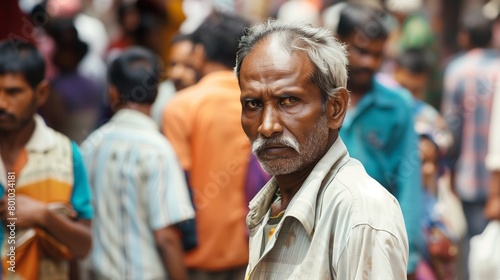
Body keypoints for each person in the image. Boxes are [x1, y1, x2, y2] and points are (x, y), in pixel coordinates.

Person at [235, 19, 408, 279]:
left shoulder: (360, 215)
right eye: (253, 104)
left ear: (335, 108)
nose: (267, 126)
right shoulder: (271, 204)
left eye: (289, 101)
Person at [162, 12, 268, 279]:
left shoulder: (180, 106)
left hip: (195, 256)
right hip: (251, 250)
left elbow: (178, 184)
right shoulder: (259, 105)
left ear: (199, 53)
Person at [80, 47, 195, 280]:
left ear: (112, 93)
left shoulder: (91, 145)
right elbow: (166, 237)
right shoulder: (158, 150)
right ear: (155, 93)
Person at [328, 4, 422, 277]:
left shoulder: (397, 106)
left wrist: (409, 256)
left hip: (375, 240)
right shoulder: (315, 99)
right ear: (338, 42)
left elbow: (409, 183)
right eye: (361, 51)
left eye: (377, 55)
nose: (369, 62)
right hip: (320, 233)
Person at [0, 40, 93, 279]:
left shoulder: (64, 154)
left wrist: (44, 216)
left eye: (13, 92)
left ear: (41, 93)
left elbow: (83, 246)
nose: (1, 103)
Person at [441, 9, 500, 279]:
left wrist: (450, 169)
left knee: (476, 245)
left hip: (470, 176)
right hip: (495, 177)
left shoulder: (456, 69)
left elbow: (451, 128)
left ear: (465, 37)